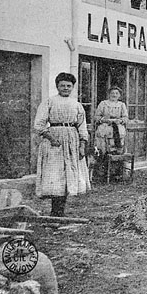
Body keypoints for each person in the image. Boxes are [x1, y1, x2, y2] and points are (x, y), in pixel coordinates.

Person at [33, 72, 91, 217]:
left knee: (68, 174)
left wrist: (82, 144)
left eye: (68, 86)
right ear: (57, 86)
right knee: (56, 173)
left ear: (72, 87)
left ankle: (61, 210)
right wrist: (51, 138)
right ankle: (55, 211)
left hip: (72, 140)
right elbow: (39, 124)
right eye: (62, 85)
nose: (65, 88)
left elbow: (82, 126)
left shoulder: (77, 105)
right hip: (55, 141)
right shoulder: (49, 102)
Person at [93, 86, 129, 182]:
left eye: (116, 93)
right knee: (104, 150)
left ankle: (117, 174)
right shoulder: (103, 104)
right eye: (112, 93)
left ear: (119, 95)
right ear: (109, 94)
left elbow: (126, 118)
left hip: (118, 130)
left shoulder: (121, 105)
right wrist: (104, 120)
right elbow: (96, 117)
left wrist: (120, 120)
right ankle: (102, 174)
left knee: (117, 150)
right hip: (105, 129)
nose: (114, 95)